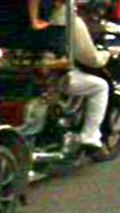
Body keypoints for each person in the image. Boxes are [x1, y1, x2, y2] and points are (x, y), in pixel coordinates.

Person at [29, 0, 111, 152]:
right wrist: (106, 55)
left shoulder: (26, 17)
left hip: (26, 68)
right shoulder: (68, 19)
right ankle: (89, 136)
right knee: (100, 86)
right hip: (53, 76)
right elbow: (91, 59)